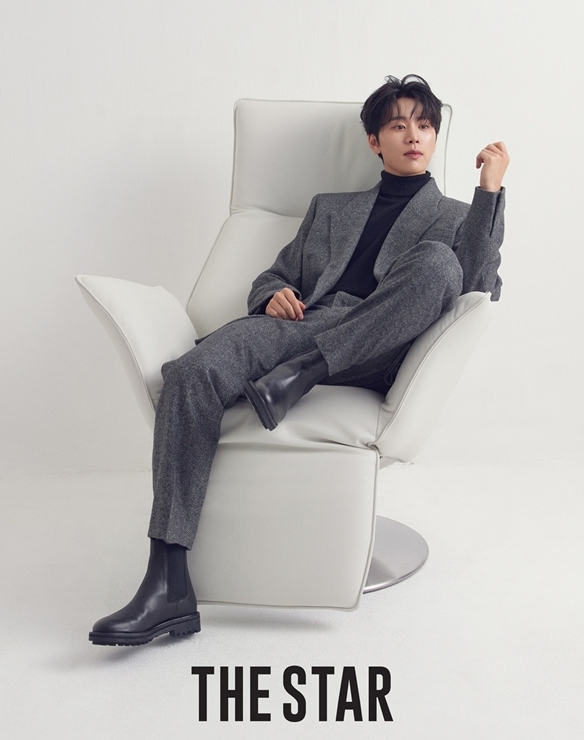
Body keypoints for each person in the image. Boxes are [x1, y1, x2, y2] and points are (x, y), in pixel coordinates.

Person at [89, 74, 509, 646]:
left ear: (435, 137)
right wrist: (273, 294)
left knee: (439, 264)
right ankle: (167, 583)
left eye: (425, 125)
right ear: (374, 141)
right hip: (300, 326)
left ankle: (305, 374)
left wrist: (490, 190)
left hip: (376, 348)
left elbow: (477, 285)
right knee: (190, 372)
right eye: (397, 125)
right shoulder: (329, 209)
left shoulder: (459, 216)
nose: (413, 135)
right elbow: (274, 274)